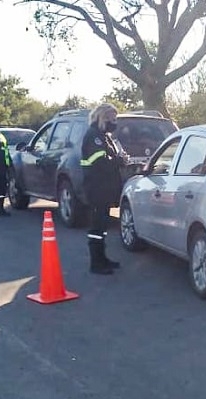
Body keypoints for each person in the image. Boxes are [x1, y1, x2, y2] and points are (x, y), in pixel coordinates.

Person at [80, 103, 126, 275]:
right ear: (102, 118)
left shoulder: (103, 136)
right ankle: (96, 263)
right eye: (111, 119)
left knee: (103, 225)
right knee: (97, 227)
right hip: (96, 187)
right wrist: (118, 162)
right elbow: (100, 162)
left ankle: (103, 258)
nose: (114, 122)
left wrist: (120, 159)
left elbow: (109, 158)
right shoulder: (94, 136)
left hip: (104, 187)